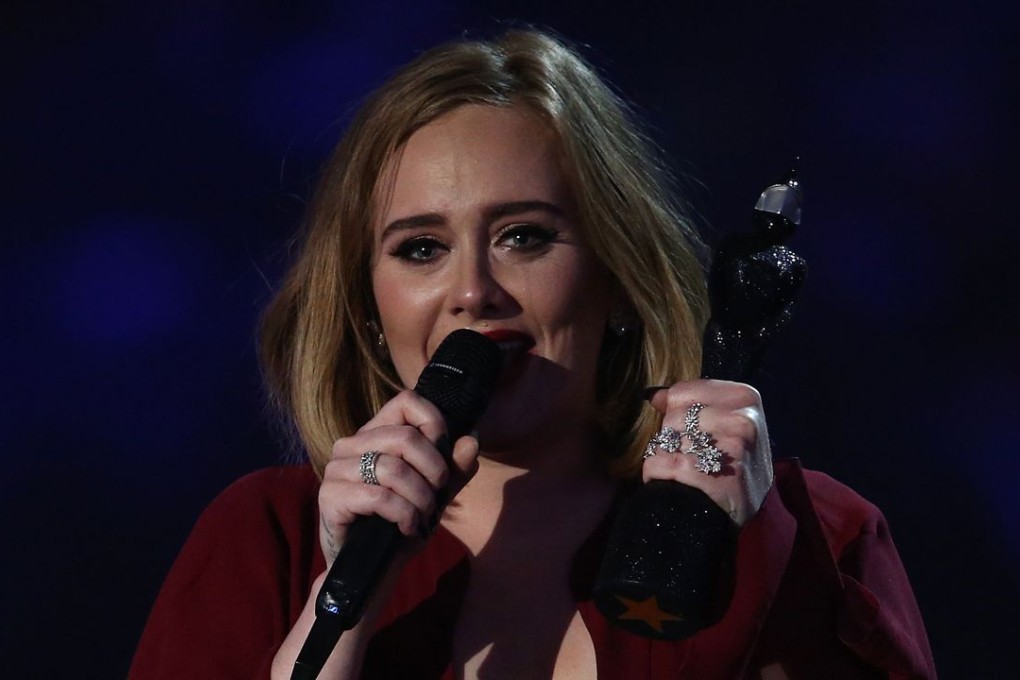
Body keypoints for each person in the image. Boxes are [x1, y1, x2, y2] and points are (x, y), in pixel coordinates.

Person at [130, 29, 936, 679]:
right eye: (419, 249)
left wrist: (756, 549)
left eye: (524, 237)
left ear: (618, 277)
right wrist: (341, 607)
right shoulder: (264, 540)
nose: (473, 291)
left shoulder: (818, 535)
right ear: (368, 307)